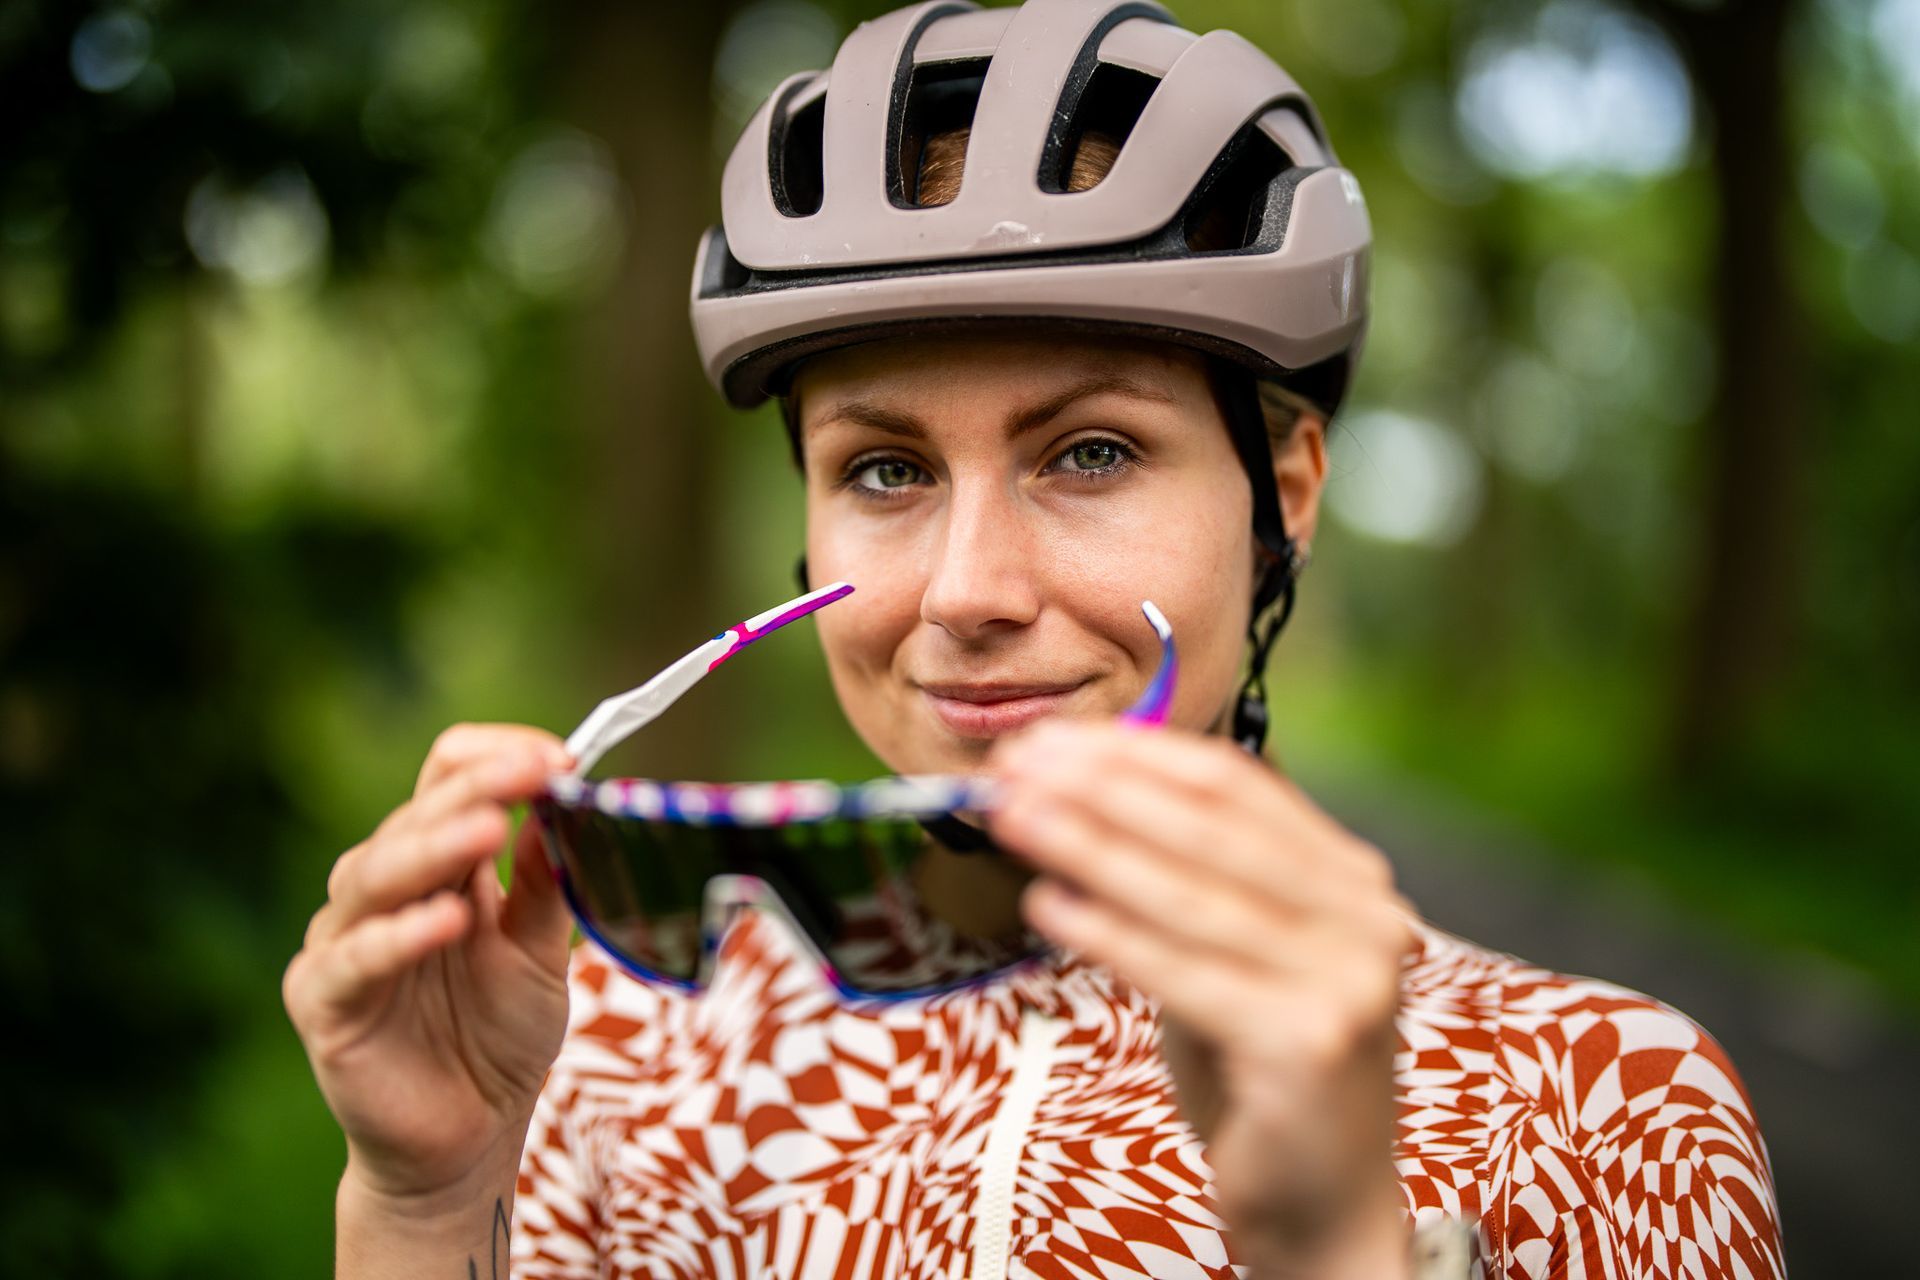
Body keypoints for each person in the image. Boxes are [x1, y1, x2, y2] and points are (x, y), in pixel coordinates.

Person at [282, 2, 1786, 1277]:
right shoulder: (592, 1052)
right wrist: (426, 1201)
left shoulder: (1607, 1106)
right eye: (886, 472)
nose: (965, 593)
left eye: (1088, 455)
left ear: (1288, 497)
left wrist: (1338, 1244)